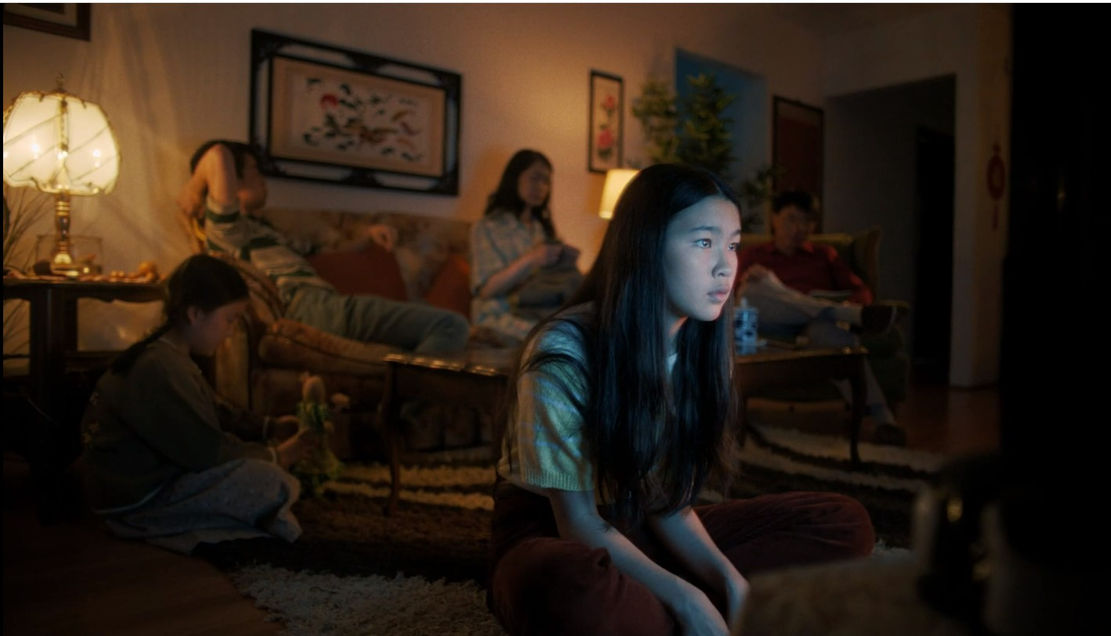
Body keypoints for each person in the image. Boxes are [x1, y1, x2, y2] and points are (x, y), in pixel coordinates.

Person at [489, 164, 874, 635]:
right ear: (645, 247)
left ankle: (664, 606)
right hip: (555, 534)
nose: (726, 265)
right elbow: (578, 522)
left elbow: (665, 502)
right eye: (704, 242)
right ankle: (669, 607)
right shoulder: (565, 349)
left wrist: (729, 581)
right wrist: (689, 598)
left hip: (638, 524)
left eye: (733, 244)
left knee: (843, 523)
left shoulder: (702, 347)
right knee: (576, 587)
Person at [79, 254, 317, 554]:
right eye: (229, 319)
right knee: (272, 482)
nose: (231, 330)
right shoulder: (160, 367)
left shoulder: (170, 357)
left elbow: (215, 411)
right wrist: (278, 456)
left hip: (152, 485)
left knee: (264, 475)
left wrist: (269, 427)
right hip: (137, 502)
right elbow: (208, 452)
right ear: (195, 314)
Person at [177, 139, 469, 354]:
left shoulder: (262, 231)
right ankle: (408, 412)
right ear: (233, 178)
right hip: (309, 308)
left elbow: (325, 252)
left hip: (321, 305)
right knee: (450, 325)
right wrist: (194, 188)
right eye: (254, 170)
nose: (262, 179)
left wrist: (369, 235)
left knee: (428, 316)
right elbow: (217, 154)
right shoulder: (227, 229)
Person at [737, 190, 905, 442]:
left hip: (814, 325)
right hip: (770, 324)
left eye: (806, 221)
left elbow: (860, 290)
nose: (798, 228)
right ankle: (851, 315)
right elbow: (734, 297)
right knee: (754, 287)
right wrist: (760, 285)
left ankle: (884, 421)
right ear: (774, 219)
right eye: (791, 219)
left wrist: (851, 302)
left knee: (839, 338)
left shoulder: (824, 255)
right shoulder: (753, 255)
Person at [470, 149, 582, 346]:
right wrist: (532, 259)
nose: (540, 187)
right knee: (555, 339)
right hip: (500, 314)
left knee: (582, 331)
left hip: (540, 311)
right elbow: (486, 290)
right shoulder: (487, 227)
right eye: (534, 178)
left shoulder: (542, 230)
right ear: (515, 178)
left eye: (546, 181)